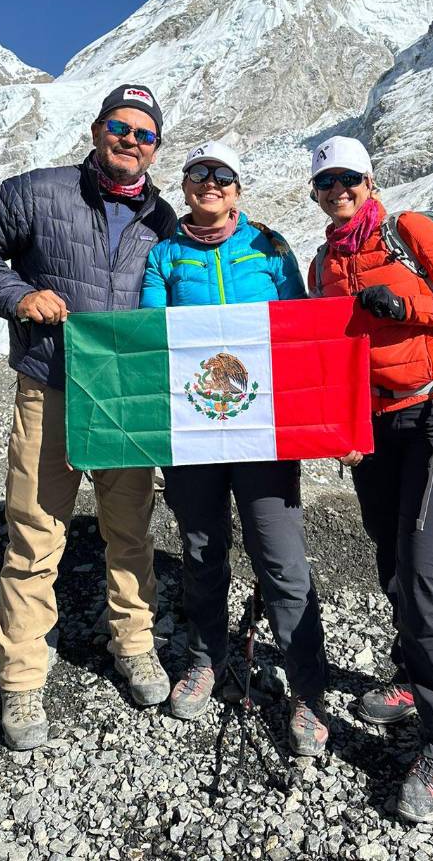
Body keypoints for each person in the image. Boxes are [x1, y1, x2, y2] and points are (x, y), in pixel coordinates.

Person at [0, 83, 177, 751]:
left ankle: (134, 642)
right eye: (120, 126)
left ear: (154, 147)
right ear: (97, 128)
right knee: (34, 532)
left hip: (124, 399)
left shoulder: (165, 221)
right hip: (49, 385)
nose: (129, 140)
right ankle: (21, 678)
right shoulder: (37, 191)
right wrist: (21, 297)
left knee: (130, 528)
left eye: (144, 133)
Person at [307, 135, 433, 821]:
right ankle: (415, 677)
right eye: (327, 183)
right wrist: (341, 430)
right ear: (316, 192)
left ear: (369, 178)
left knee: (425, 568)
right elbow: (327, 355)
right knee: (391, 558)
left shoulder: (407, 229)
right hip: (376, 427)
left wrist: (409, 309)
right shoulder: (323, 261)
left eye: (349, 178)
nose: (339, 190)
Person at [140, 140, 329, 757]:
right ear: (186, 187)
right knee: (201, 550)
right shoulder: (165, 255)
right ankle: (205, 658)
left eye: (222, 176)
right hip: (193, 431)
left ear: (238, 189)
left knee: (281, 559)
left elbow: (302, 331)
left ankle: (306, 692)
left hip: (262, 431)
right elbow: (149, 337)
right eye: (198, 175)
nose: (210, 184)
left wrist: (322, 420)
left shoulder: (270, 248)